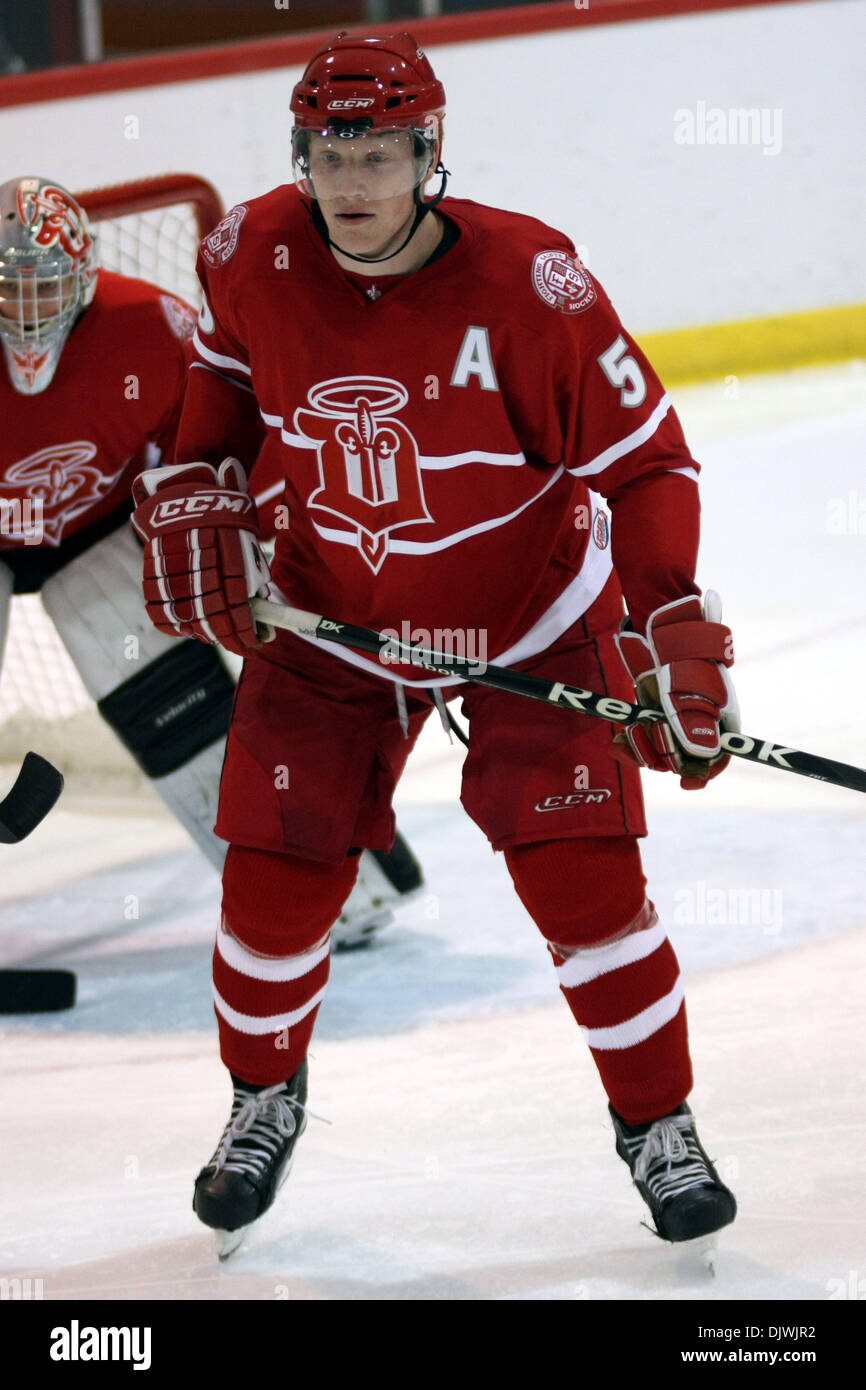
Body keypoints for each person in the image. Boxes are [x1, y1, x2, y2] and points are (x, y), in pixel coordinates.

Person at [131, 31, 740, 1258]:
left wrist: (669, 620)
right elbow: (225, 381)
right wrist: (197, 478)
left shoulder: (532, 284)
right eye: (331, 150)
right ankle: (262, 1100)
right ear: (301, 155)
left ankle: (657, 1126)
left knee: (583, 885)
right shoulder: (248, 249)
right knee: (270, 885)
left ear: (430, 155)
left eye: (382, 151)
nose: (353, 179)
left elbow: (646, 463)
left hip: (527, 607)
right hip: (331, 619)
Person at [0, 174, 422, 949]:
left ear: (86, 276)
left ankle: (313, 892)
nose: (26, 311)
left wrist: (238, 528)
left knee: (176, 710)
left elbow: (224, 436)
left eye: (46, 285)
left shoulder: (151, 327)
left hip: (100, 530)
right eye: (7, 291)